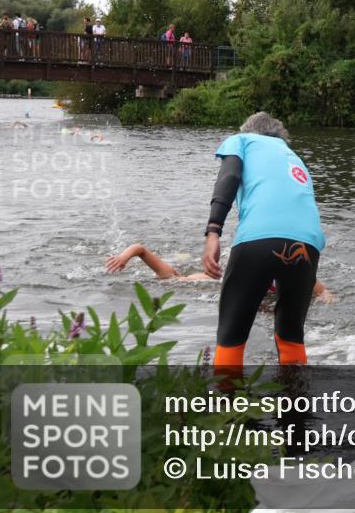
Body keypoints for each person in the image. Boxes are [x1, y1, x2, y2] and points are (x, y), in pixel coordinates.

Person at [202, 112, 326, 370]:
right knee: (291, 336)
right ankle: (295, 394)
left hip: (259, 237)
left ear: (248, 130)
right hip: (308, 243)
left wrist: (214, 231)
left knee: (232, 335)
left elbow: (229, 178)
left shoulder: (242, 141)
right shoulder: (293, 157)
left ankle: (226, 395)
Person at [104, 242, 334, 302]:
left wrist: (326, 298)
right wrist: (125, 256)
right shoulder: (212, 280)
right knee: (174, 280)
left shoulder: (292, 270)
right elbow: (141, 249)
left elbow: (323, 291)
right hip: (210, 283)